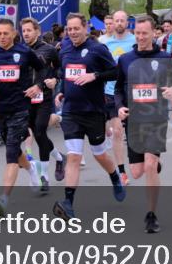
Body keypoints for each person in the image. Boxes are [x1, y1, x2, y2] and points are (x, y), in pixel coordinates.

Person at [52, 13, 125, 220]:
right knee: (74, 156)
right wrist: (63, 91)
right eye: (70, 29)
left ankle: (114, 177)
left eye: (76, 28)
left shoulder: (98, 49)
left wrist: (94, 76)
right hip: (71, 111)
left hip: (93, 111)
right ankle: (68, 204)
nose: (73, 32)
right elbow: (66, 74)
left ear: (85, 28)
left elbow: (115, 72)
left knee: (99, 154)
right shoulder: (65, 49)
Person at [115, 15, 172, 233]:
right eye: (138, 33)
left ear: (155, 33)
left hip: (156, 118)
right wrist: (119, 107)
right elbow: (117, 88)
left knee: (150, 165)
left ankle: (151, 215)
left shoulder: (164, 57)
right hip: (134, 121)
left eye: (145, 33)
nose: (141, 37)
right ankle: (153, 164)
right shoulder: (125, 59)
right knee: (137, 172)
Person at [0, 18, 46, 214]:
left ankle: (4, 198)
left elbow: (42, 69)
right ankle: (32, 170)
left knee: (11, 152)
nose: (3, 37)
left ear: (14, 34)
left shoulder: (24, 52)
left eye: (6, 33)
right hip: (0, 109)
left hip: (21, 108)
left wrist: (37, 86)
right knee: (13, 148)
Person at [21, 17, 67, 186]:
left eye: (29, 30)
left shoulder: (48, 49)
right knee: (38, 134)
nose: (26, 33)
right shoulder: (19, 50)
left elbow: (59, 68)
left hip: (44, 97)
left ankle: (44, 176)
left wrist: (55, 79)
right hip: (26, 98)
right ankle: (60, 157)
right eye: (24, 31)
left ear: (37, 31)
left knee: (39, 132)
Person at [101, 10, 136, 186]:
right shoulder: (103, 42)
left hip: (132, 91)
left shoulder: (135, 40)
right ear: (112, 23)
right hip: (110, 91)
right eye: (117, 20)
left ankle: (141, 159)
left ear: (127, 23)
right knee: (117, 131)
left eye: (123, 20)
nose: (120, 23)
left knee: (134, 131)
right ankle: (121, 172)